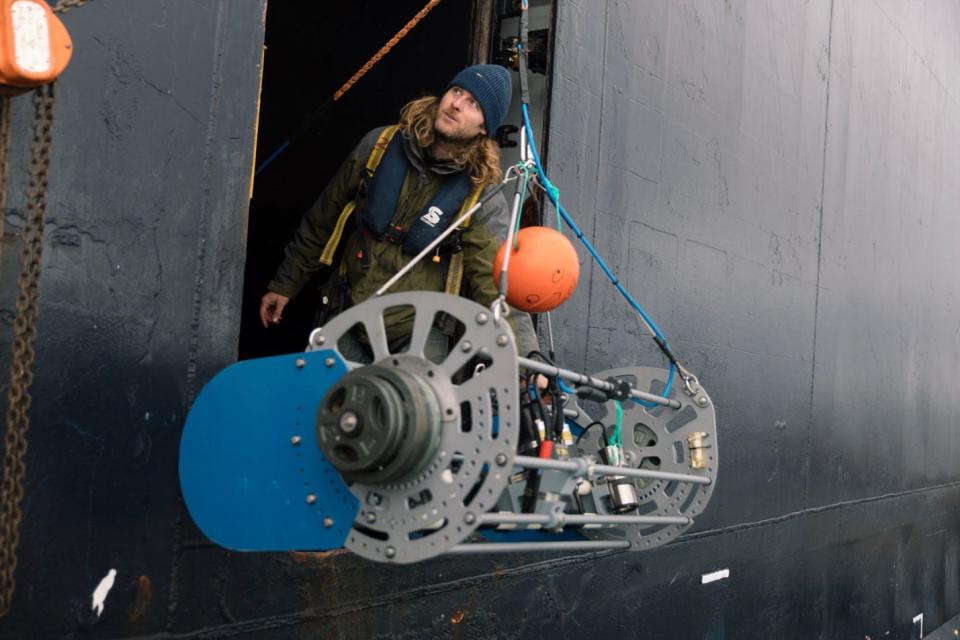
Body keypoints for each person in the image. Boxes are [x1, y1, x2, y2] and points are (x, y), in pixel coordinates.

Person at [259, 64, 538, 360]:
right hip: (349, 315)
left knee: (417, 406)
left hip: (418, 337)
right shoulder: (378, 146)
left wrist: (524, 359)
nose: (456, 104)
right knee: (328, 403)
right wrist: (284, 285)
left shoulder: (482, 194)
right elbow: (321, 221)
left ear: (484, 127)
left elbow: (494, 282)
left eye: (473, 103)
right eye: (457, 91)